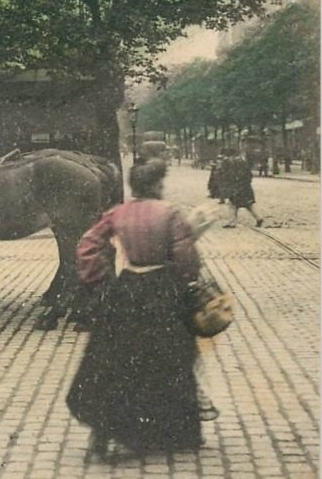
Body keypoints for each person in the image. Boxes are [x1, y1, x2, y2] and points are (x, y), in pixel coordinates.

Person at [66, 158, 203, 457]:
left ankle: (108, 429)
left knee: (120, 363)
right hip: (162, 289)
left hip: (127, 290)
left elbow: (87, 245)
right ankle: (172, 431)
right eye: (161, 182)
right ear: (155, 184)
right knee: (171, 359)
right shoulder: (169, 213)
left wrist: (99, 278)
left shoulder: (118, 212)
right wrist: (186, 279)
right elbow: (186, 259)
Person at [218, 150, 264, 228]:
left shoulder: (232, 164)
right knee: (248, 204)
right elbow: (249, 175)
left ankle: (232, 222)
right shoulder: (243, 162)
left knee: (232, 204)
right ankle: (259, 218)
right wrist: (247, 183)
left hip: (237, 188)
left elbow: (229, 176)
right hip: (246, 188)